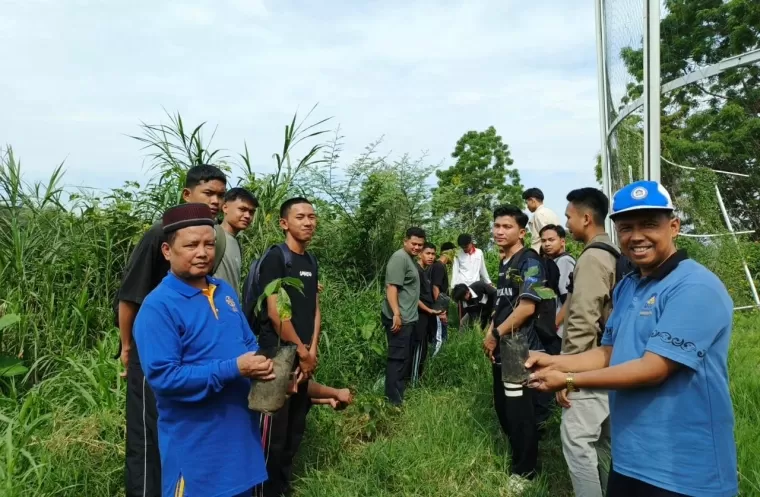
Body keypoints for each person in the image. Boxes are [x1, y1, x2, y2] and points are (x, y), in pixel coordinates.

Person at [527, 180, 738, 497]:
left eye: (650, 224)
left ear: (674, 226)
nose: (637, 236)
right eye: (626, 227)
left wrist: (568, 379)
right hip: (628, 461)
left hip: (685, 471)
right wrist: (553, 359)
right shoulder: (628, 286)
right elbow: (611, 351)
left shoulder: (695, 286)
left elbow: (654, 369)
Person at [132, 202, 275, 497]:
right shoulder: (159, 307)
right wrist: (235, 368)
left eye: (209, 244)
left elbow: (249, 346)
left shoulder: (224, 292)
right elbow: (165, 378)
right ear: (167, 251)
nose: (202, 252)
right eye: (191, 245)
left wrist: (269, 372)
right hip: (196, 454)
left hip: (239, 447)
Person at [115, 164, 227, 497]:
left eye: (221, 195)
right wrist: (126, 348)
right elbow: (130, 295)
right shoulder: (161, 234)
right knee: (148, 439)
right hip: (155, 350)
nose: (216, 201)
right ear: (187, 193)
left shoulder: (210, 237)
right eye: (208, 193)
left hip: (191, 354)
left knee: (181, 436)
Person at [481, 205, 554, 489]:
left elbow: (526, 308)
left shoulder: (529, 261)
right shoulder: (505, 262)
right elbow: (502, 304)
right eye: (497, 226)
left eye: (507, 227)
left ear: (522, 232)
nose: (499, 231)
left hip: (518, 347)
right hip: (502, 345)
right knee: (504, 407)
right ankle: (521, 456)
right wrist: (491, 331)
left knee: (520, 412)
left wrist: (495, 334)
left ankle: (525, 472)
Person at [553, 188, 619, 497]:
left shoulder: (592, 258)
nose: (567, 223)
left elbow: (582, 320)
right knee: (602, 444)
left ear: (586, 218)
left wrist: (568, 377)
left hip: (588, 369)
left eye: (569, 216)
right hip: (611, 364)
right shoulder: (612, 254)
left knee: (578, 444)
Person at [254, 197, 321, 497]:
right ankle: (262, 490)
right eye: (300, 217)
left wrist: (312, 348)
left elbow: (315, 308)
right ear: (284, 223)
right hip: (278, 357)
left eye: (312, 216)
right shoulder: (276, 259)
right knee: (271, 433)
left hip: (303, 355)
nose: (308, 222)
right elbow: (274, 312)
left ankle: (282, 487)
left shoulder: (310, 261)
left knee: (295, 427)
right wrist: (302, 352)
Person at [381, 227, 425, 405]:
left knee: (403, 358)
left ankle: (398, 395)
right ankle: (393, 401)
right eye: (413, 243)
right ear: (405, 241)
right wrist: (396, 314)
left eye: (420, 245)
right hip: (400, 318)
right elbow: (392, 287)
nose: (416, 247)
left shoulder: (410, 259)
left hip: (408, 318)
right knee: (397, 359)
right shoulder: (400, 258)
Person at [213, 187, 258, 296]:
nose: (247, 216)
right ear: (225, 208)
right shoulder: (213, 235)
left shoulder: (236, 242)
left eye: (251, 212)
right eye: (242, 209)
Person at [411, 242, 441, 382]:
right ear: (420, 253)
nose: (431, 257)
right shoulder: (415, 271)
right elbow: (413, 297)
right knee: (418, 349)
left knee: (423, 348)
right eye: (428, 253)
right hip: (419, 315)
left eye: (433, 254)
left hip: (427, 315)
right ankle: (414, 381)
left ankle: (417, 378)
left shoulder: (426, 272)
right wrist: (429, 310)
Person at [539, 224, 575, 337]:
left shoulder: (564, 261)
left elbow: (568, 299)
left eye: (551, 240)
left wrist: (554, 325)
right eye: (543, 240)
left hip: (561, 329)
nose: (547, 244)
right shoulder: (553, 261)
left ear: (562, 241)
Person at [430, 242, 454, 355]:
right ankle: (436, 361)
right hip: (439, 310)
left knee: (442, 335)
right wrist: (440, 311)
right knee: (439, 337)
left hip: (441, 308)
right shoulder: (439, 266)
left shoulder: (440, 266)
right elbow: (435, 288)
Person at [523, 187, 561, 252]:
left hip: (542, 255)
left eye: (527, 203)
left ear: (532, 200)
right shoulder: (550, 212)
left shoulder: (539, 214)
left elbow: (547, 237)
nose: (527, 206)